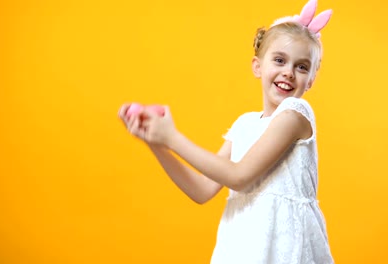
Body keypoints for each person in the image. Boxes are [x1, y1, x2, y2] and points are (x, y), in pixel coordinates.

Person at [118, 0, 334, 262]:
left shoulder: (295, 114)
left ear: (311, 79)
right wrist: (156, 142)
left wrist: (172, 137)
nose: (288, 72)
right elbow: (201, 190)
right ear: (258, 66)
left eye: (301, 67)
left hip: (284, 251)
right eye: (279, 60)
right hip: (243, 248)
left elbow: (239, 177)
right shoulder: (244, 125)